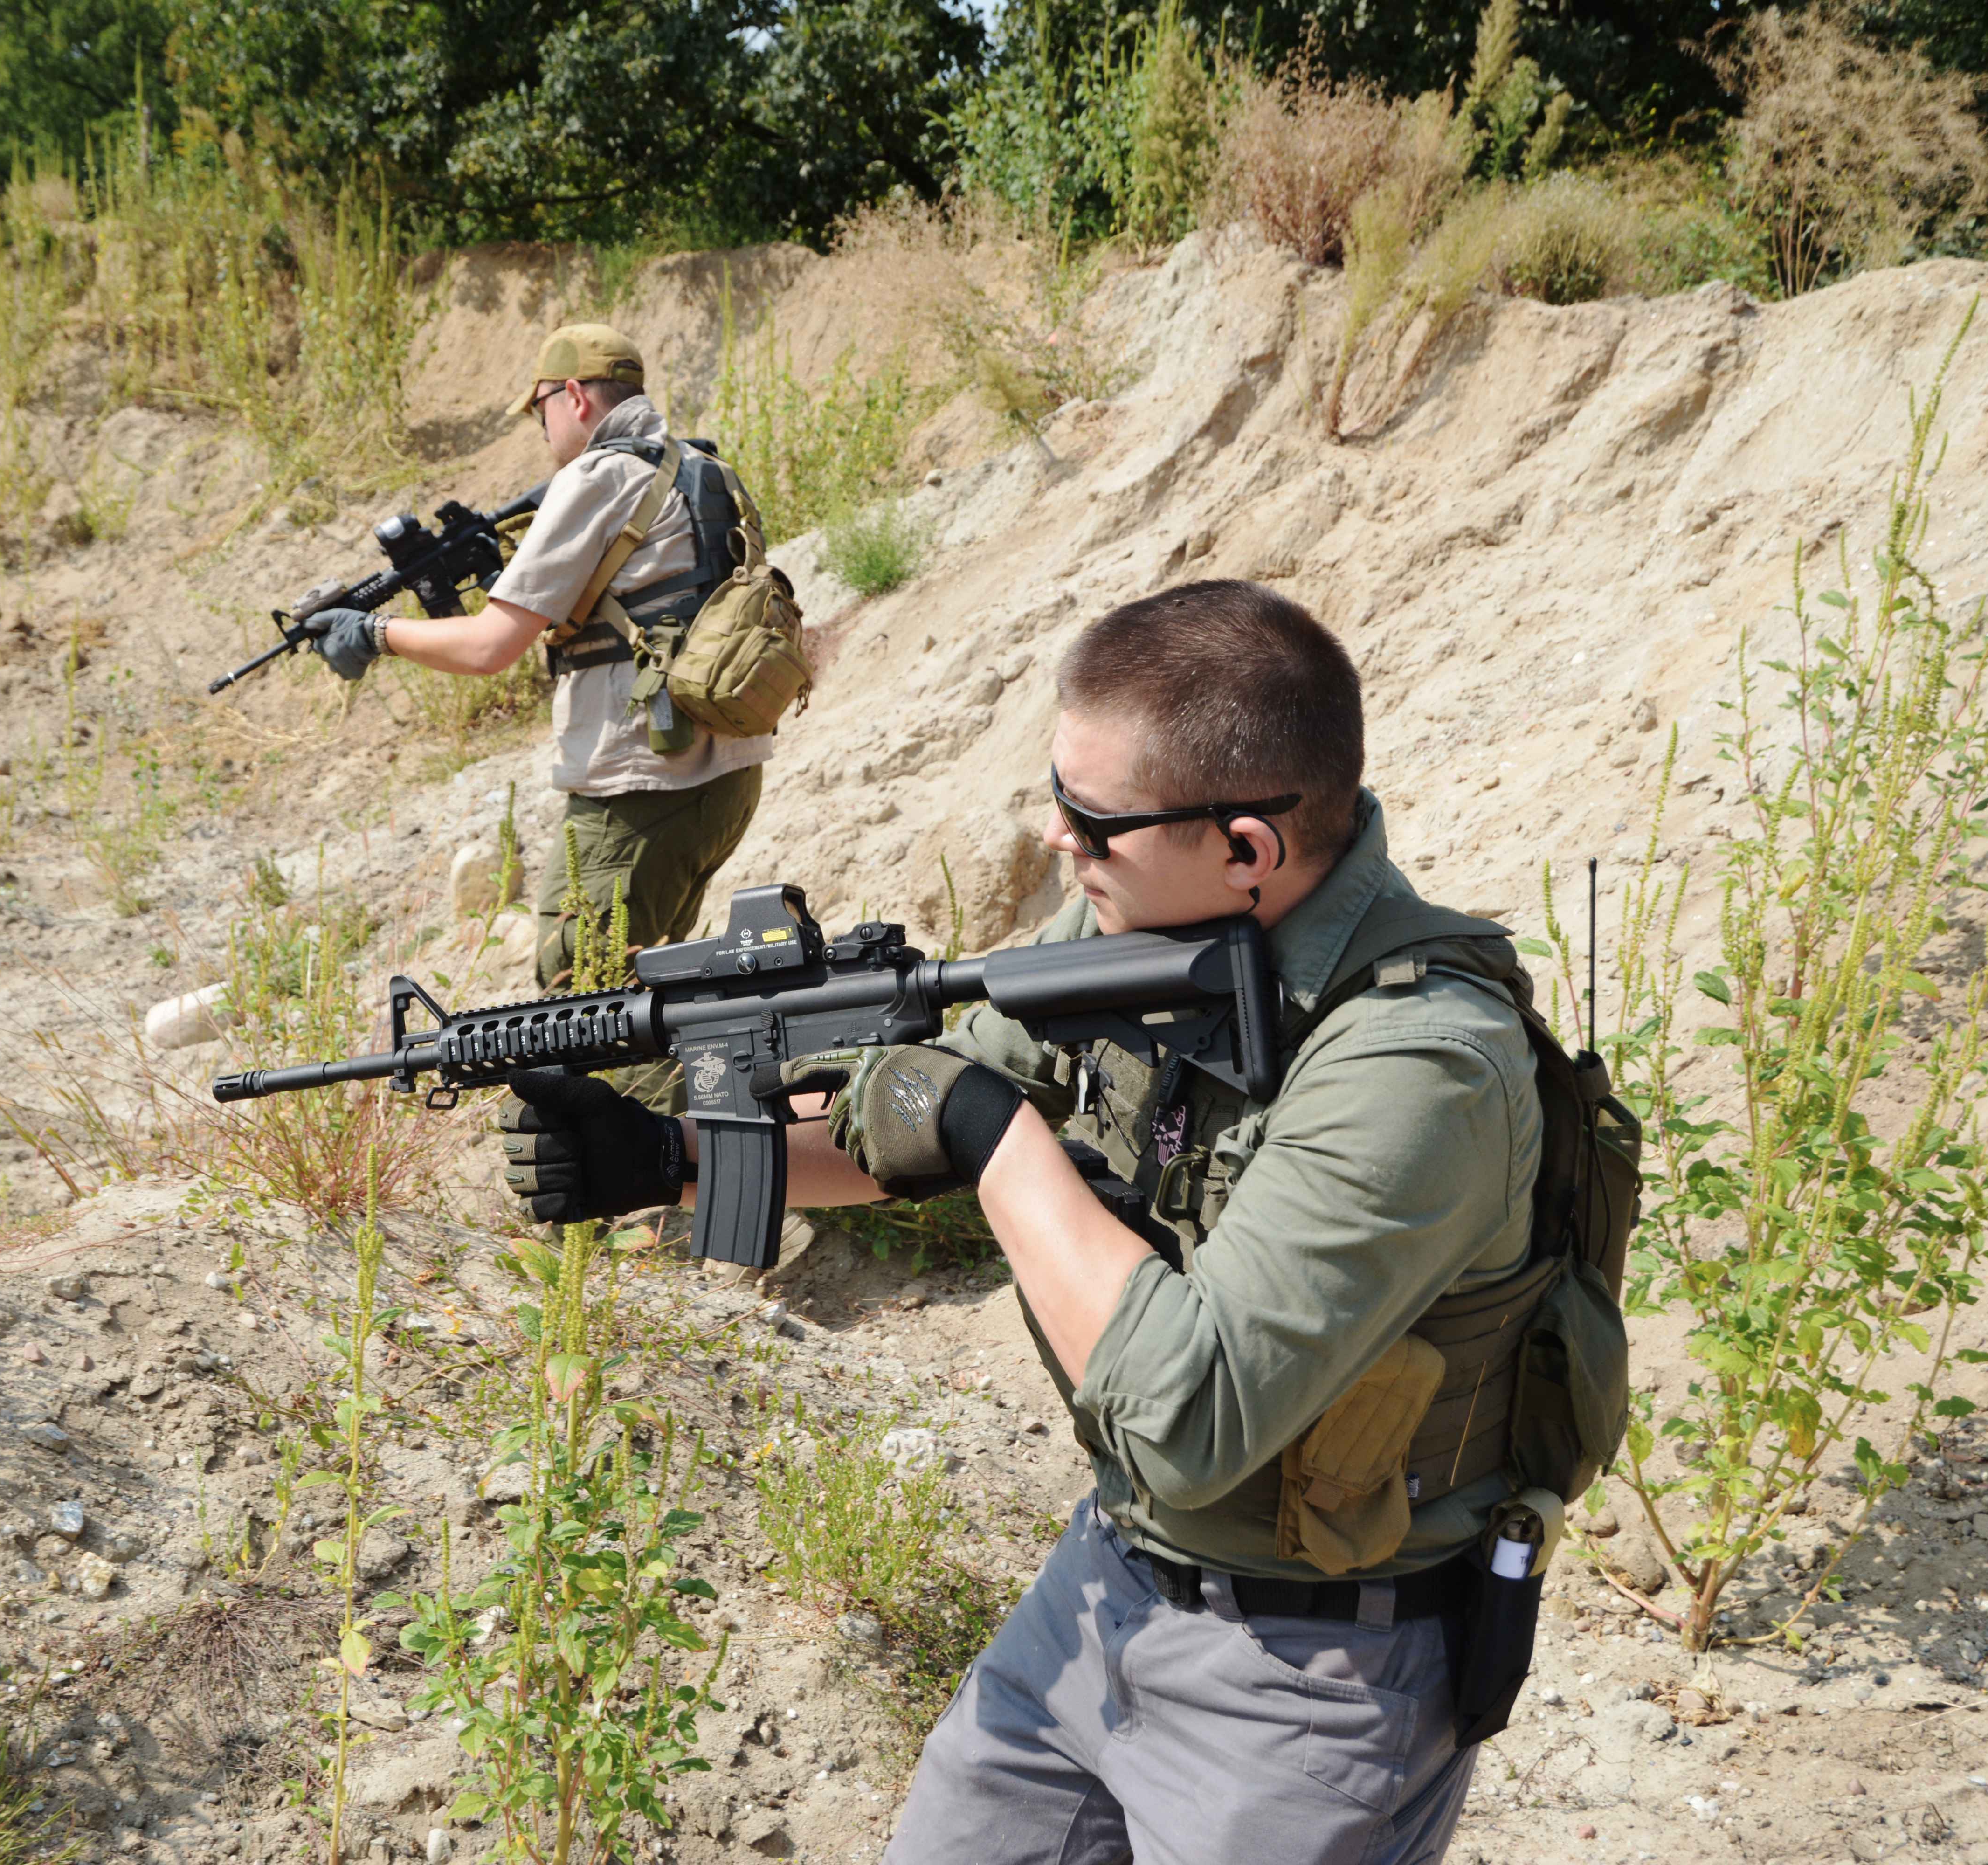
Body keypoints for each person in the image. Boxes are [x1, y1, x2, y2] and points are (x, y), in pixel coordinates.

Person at [496, 579, 1597, 1865]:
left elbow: (1188, 1418)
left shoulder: (1421, 1068)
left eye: (1092, 821)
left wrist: (988, 1131)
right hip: (1111, 1581)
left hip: (1315, 1677)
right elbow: (929, 1107)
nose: (1058, 842)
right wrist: (673, 1157)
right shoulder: (1143, 913)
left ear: (1246, 847)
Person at [308, 323, 774, 993]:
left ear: (576, 396)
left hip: (639, 789)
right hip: (724, 776)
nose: (541, 427)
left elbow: (487, 647)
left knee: (584, 1002)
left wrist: (374, 633)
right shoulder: (701, 467)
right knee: (658, 997)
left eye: (540, 409)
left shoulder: (598, 477)